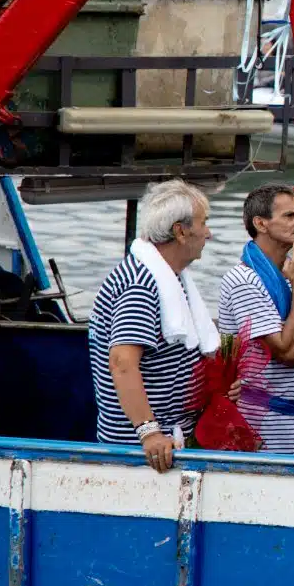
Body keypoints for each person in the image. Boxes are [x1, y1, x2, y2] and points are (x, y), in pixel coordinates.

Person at [92, 180, 213, 472]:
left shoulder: (172, 277)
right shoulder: (140, 283)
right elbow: (122, 362)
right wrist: (149, 432)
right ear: (180, 231)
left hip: (172, 440)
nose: (208, 233)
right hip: (141, 451)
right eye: (203, 223)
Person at [216, 184, 294, 453]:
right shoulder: (244, 280)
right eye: (289, 216)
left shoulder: (289, 277)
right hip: (260, 422)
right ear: (260, 223)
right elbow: (289, 352)